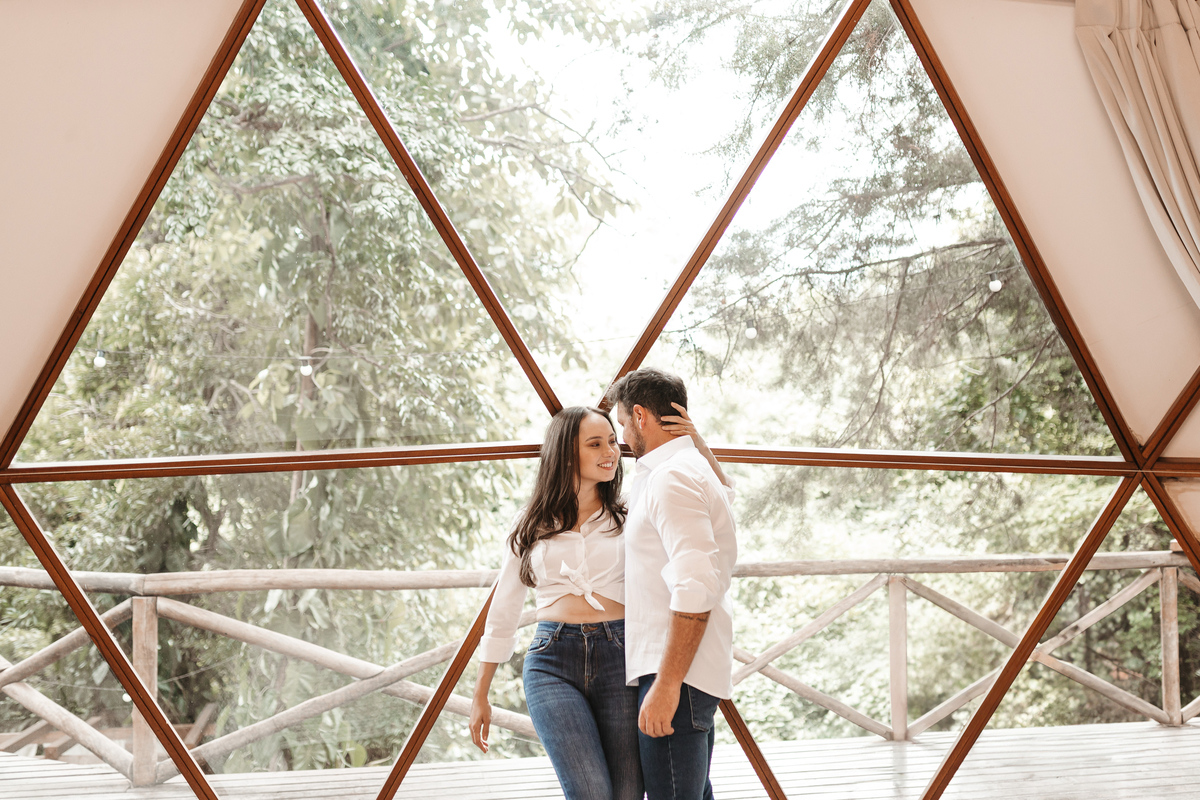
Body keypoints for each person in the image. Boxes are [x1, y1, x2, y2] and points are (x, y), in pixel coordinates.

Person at [468, 404, 727, 800]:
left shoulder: (630, 514)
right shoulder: (530, 523)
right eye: (595, 444)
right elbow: (504, 607)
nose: (610, 451)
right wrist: (480, 692)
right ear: (565, 454)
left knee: (626, 794)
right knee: (590, 793)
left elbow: (714, 502)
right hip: (551, 660)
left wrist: (696, 444)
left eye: (611, 440)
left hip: (619, 658)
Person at [608, 368, 737, 800]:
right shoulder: (683, 469)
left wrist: (667, 686)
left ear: (641, 416)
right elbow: (726, 496)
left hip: (675, 673)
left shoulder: (673, 478)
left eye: (623, 424)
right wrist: (695, 442)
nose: (622, 437)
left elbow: (695, 585)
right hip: (681, 671)